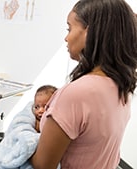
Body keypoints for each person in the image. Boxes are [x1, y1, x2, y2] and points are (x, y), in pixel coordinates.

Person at [30, 0, 137, 169]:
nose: (66, 37)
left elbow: (42, 165)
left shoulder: (76, 93)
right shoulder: (122, 86)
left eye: (69, 28)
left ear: (89, 32)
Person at [0, 85, 57, 169]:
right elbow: (18, 129)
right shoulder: (30, 117)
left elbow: (32, 141)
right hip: (15, 154)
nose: (40, 111)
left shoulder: (54, 123)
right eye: (37, 107)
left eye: (45, 107)